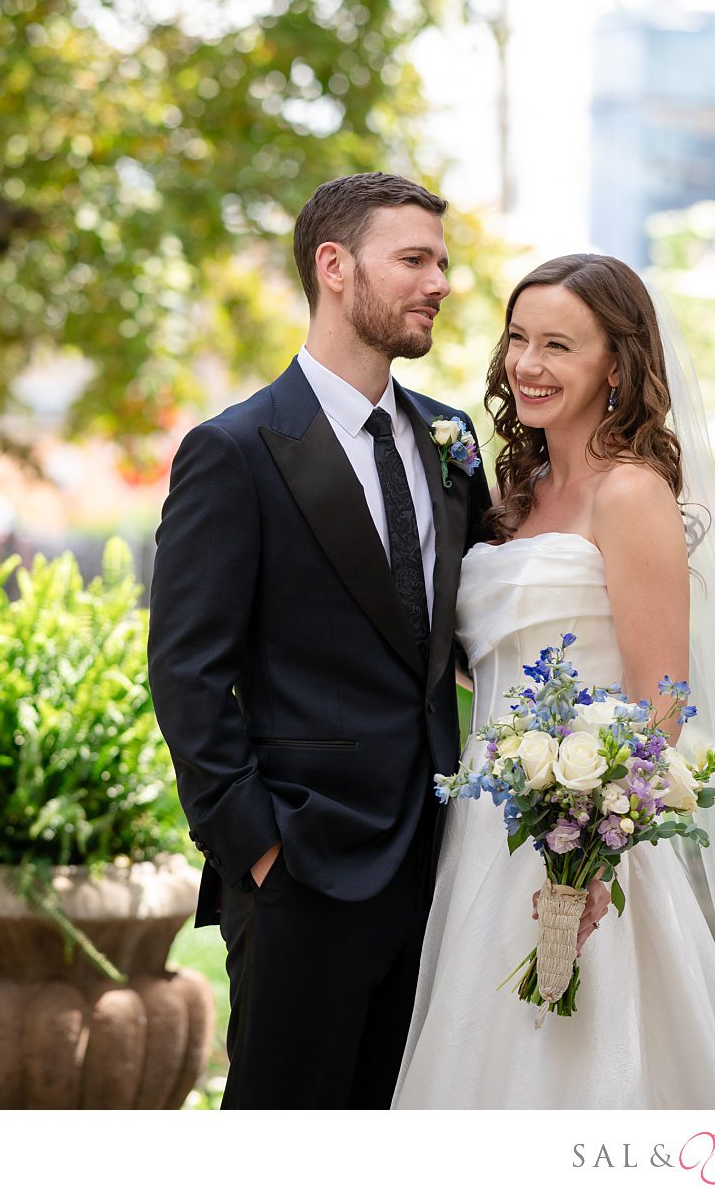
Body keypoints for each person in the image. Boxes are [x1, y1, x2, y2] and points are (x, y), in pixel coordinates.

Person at [393, 254, 715, 1108]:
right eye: (517, 339)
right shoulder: (512, 497)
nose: (527, 366)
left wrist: (590, 856)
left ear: (615, 364)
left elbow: (662, 699)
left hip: (582, 846)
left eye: (558, 346)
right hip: (485, 829)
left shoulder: (632, 494)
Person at [147, 172, 493, 1108]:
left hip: (445, 864)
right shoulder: (236, 450)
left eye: (444, 265)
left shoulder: (453, 442)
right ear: (335, 267)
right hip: (303, 865)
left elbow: (470, 633)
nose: (440, 284)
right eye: (414, 260)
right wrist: (256, 847)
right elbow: (185, 674)